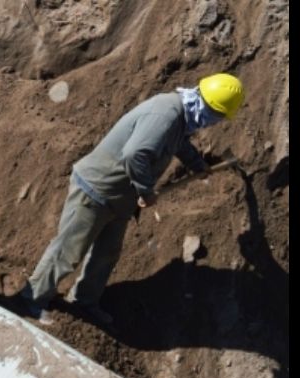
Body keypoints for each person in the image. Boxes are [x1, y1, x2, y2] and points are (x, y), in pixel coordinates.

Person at [18, 73, 244, 325]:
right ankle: (31, 298)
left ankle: (84, 301)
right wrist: (146, 190)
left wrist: (197, 164)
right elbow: (134, 154)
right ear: (209, 107)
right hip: (97, 188)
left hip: (120, 198)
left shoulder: (179, 118)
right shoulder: (166, 115)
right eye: (218, 116)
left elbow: (177, 143)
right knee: (68, 251)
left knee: (106, 253)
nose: (215, 123)